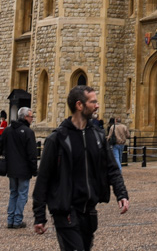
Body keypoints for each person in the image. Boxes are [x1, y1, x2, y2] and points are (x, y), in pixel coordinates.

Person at [33, 85, 129, 249]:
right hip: (66, 211)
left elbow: (112, 168)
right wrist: (39, 215)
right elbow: (43, 178)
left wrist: (121, 194)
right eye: (93, 102)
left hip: (89, 210)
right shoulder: (57, 139)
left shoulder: (97, 136)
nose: (97, 105)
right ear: (80, 105)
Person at [0, 106, 39, 229]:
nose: (32, 119)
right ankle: (17, 220)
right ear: (25, 117)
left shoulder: (8, 130)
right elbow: (32, 154)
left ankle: (10, 220)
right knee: (22, 194)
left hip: (11, 168)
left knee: (13, 193)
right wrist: (34, 170)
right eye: (31, 116)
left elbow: (0, 147)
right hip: (24, 169)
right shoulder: (28, 132)